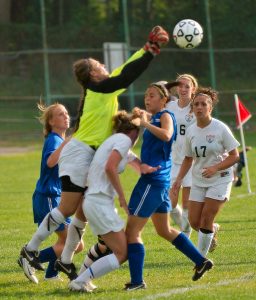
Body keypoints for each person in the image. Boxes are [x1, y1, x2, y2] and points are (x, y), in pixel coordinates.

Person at [19, 26, 170, 280]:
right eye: (99, 64)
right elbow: (125, 77)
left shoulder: (101, 90)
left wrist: (146, 49)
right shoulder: (99, 89)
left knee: (80, 213)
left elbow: (123, 72)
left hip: (87, 154)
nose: (103, 66)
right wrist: (151, 50)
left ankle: (65, 261)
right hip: (79, 153)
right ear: (93, 74)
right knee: (67, 208)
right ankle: (29, 250)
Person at [124, 81, 214, 291]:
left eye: (153, 95)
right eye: (146, 94)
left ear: (164, 100)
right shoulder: (153, 117)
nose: (147, 98)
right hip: (159, 180)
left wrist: (145, 124)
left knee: (132, 232)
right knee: (164, 230)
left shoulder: (165, 116)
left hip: (153, 181)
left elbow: (166, 135)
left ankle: (137, 282)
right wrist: (140, 119)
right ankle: (200, 261)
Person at [68, 111, 160, 292]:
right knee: (121, 252)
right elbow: (110, 167)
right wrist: (122, 197)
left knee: (112, 248)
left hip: (97, 202)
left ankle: (81, 279)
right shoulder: (123, 140)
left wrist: (144, 167)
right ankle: (79, 282)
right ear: (135, 132)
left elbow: (134, 161)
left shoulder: (117, 141)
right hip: (99, 202)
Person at [18, 102, 83, 283]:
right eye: (61, 114)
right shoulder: (54, 140)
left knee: (76, 244)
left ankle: (50, 274)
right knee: (71, 242)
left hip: (58, 198)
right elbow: (50, 162)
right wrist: (67, 143)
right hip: (47, 197)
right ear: (51, 122)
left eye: (66, 113)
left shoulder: (60, 140)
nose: (66, 116)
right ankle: (29, 257)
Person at [171, 87, 240, 257]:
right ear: (192, 108)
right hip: (199, 180)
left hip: (220, 178)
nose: (199, 107)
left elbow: (235, 155)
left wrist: (216, 168)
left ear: (210, 108)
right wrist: (179, 179)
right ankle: (212, 230)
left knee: (206, 218)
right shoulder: (191, 131)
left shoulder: (220, 128)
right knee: (194, 222)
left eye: (203, 104)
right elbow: (188, 158)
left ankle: (201, 260)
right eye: (196, 105)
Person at [166, 74, 198, 238]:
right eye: (180, 85)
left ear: (193, 89)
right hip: (172, 158)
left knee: (186, 205)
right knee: (170, 202)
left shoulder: (197, 107)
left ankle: (186, 237)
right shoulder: (170, 106)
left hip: (190, 160)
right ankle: (207, 228)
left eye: (187, 86)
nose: (183, 89)